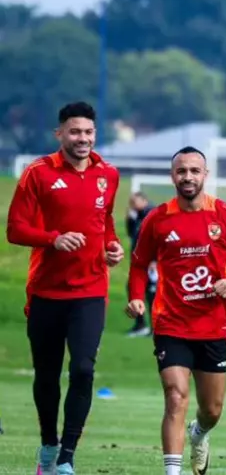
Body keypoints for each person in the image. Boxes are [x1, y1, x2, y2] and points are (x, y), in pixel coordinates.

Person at [126, 146, 226, 475]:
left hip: (213, 326)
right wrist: (136, 297)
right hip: (171, 323)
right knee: (175, 396)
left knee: (212, 409)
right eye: (181, 171)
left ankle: (198, 433)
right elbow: (139, 264)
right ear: (172, 176)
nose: (188, 177)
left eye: (194, 171)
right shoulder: (157, 218)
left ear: (205, 175)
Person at [6, 101, 124, 475]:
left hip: (90, 291)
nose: (82, 138)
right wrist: (52, 239)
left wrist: (112, 245)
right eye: (75, 132)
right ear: (60, 134)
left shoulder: (109, 174)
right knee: (47, 375)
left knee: (84, 369)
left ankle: (67, 457)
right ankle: (48, 445)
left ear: (95, 134)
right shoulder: (37, 173)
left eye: (88, 132)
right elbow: (15, 229)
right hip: (46, 291)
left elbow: (105, 221)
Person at [126, 191, 157, 336]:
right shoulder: (137, 216)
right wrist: (130, 220)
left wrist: (155, 260)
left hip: (151, 263)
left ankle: (154, 327)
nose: (132, 205)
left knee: (152, 293)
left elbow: (157, 239)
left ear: (144, 201)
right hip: (139, 262)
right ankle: (141, 325)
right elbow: (131, 234)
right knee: (133, 289)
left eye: (134, 202)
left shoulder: (152, 215)